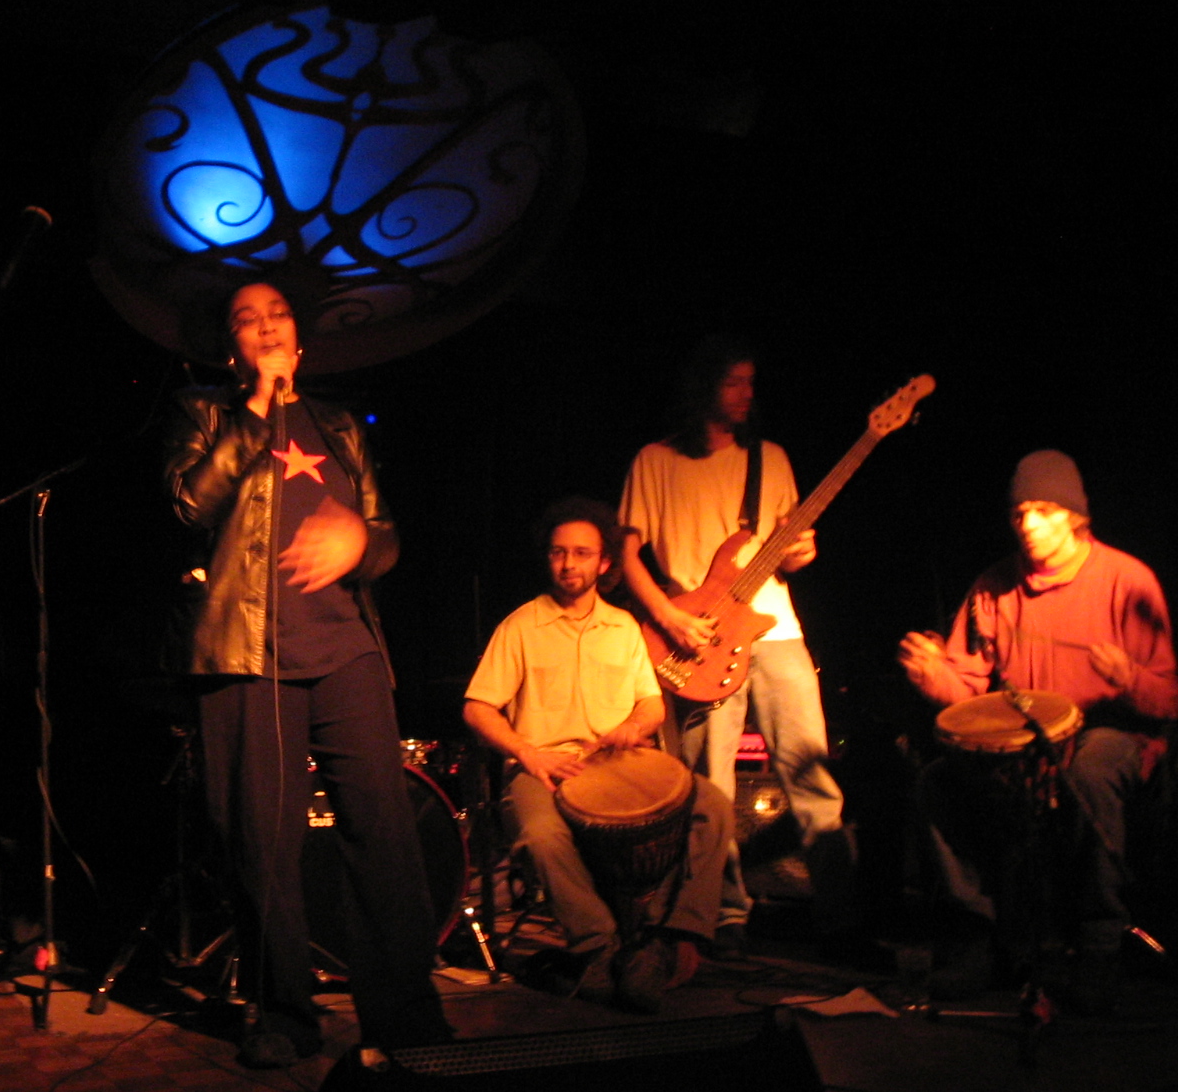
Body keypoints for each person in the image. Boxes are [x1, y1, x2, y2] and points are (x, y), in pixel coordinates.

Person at [163, 281, 449, 1068]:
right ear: (232, 349)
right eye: (246, 320)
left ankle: (405, 1012)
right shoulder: (205, 412)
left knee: (385, 835)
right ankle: (285, 1013)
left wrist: (362, 541)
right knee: (262, 841)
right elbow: (189, 506)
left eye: (277, 314)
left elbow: (387, 537)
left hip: (347, 649)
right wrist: (254, 412)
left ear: (300, 337)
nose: (264, 326)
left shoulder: (339, 424)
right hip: (247, 652)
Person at [898, 450, 1177, 1005]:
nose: (1027, 525)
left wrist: (1128, 679)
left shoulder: (1126, 579)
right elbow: (971, 699)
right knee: (938, 781)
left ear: (1074, 516)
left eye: (1043, 511)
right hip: (1022, 751)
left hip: (1107, 737)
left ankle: (1100, 945)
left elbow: (1169, 699)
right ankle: (986, 938)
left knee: (1093, 766)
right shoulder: (993, 588)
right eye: (1019, 513)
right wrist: (935, 680)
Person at [616, 337, 851, 955]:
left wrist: (803, 550)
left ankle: (840, 914)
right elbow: (626, 553)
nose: (749, 394)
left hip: (776, 627)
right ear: (702, 389)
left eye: (752, 382)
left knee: (812, 771)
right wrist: (667, 615)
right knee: (710, 787)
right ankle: (720, 916)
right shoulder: (654, 461)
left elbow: (792, 547)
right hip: (693, 636)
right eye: (734, 383)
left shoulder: (770, 457)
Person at [462, 498, 734, 1011]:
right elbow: (478, 708)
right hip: (546, 767)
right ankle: (601, 946)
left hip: (619, 762)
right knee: (541, 835)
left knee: (713, 805)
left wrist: (634, 727)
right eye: (559, 553)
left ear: (604, 563)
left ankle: (670, 937)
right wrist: (529, 753)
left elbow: (651, 704)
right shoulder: (520, 626)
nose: (569, 564)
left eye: (582, 554)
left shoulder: (625, 627)